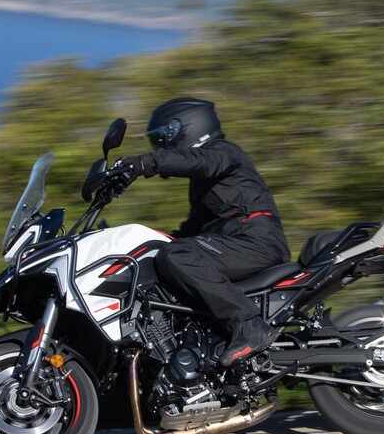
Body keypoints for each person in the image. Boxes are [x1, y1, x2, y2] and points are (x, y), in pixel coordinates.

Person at [113, 97, 290, 367]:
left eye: (162, 139)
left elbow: (199, 161)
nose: (161, 146)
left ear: (184, 128)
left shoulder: (222, 152)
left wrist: (143, 163)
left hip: (255, 240)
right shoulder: (204, 187)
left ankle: (248, 325)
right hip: (237, 241)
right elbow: (193, 229)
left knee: (177, 254)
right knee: (167, 254)